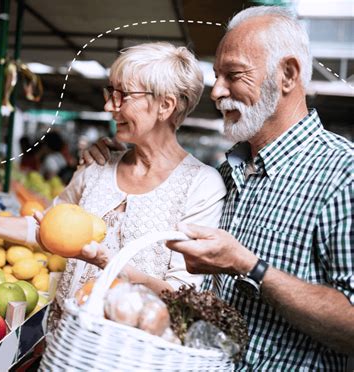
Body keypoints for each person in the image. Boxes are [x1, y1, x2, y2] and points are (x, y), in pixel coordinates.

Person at [81, 6, 353, 371]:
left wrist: (250, 268)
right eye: (216, 76)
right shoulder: (225, 175)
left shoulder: (342, 172)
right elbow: (198, 300)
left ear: (287, 74)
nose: (217, 92)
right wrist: (119, 158)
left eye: (234, 75)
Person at [0, 42, 227, 329]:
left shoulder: (201, 186)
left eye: (123, 95)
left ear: (165, 105)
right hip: (65, 341)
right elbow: (43, 229)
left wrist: (107, 261)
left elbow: (183, 296)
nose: (108, 106)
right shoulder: (98, 166)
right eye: (110, 92)